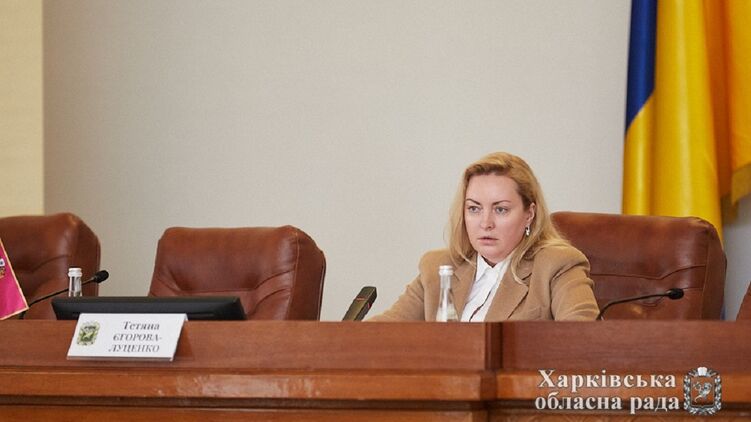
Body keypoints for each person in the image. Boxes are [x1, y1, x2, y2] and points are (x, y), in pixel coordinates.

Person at [370, 152, 599, 321]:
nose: (486, 223)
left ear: (529, 214)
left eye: (500, 209)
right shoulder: (438, 267)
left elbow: (582, 338)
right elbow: (383, 331)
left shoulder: (556, 265)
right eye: (474, 208)